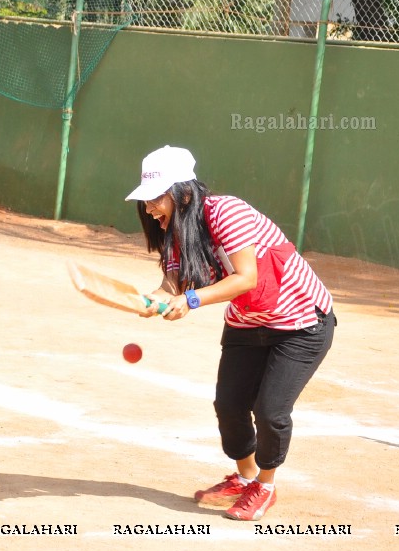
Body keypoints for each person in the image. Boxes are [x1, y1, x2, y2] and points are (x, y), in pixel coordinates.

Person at [125, 145, 335, 521]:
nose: (150, 209)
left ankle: (265, 487)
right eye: (146, 201)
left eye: (156, 199)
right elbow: (171, 284)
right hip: (248, 322)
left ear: (183, 192)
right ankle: (245, 477)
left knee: (270, 411)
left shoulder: (227, 212)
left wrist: (191, 300)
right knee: (229, 406)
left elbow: (245, 278)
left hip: (301, 322)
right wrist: (151, 300)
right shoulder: (177, 230)